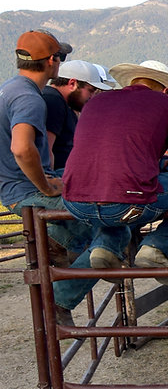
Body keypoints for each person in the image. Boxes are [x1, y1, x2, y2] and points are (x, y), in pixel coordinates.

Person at [62, 60, 168, 283]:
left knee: (116, 196)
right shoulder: (166, 103)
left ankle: (105, 247)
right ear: (165, 90)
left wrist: (165, 163)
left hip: (75, 202)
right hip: (128, 203)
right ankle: (157, 248)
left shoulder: (97, 101)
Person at [0, 30, 97, 325]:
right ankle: (61, 296)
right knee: (112, 229)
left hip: (13, 187)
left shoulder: (9, 88)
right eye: (60, 57)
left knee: (97, 231)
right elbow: (21, 147)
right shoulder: (30, 98)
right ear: (53, 61)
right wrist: (45, 183)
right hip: (26, 191)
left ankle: (62, 251)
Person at [44, 60, 112, 171]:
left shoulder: (64, 104)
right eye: (90, 91)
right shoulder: (54, 101)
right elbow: (46, 149)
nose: (92, 97)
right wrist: (50, 183)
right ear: (72, 84)